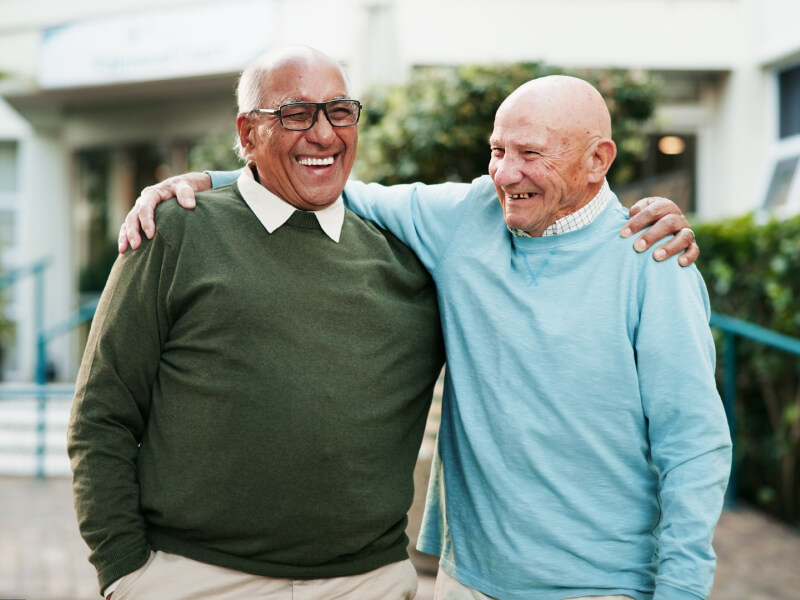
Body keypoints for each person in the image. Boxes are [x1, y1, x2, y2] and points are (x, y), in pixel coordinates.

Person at [124, 72, 730, 600]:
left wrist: (679, 590)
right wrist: (208, 179)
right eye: (497, 150)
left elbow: (694, 446)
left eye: (530, 153)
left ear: (598, 160)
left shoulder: (652, 262)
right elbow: (322, 184)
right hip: (468, 581)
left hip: (604, 584)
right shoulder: (468, 217)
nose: (505, 172)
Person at [68, 45, 445, 600]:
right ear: (247, 134)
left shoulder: (412, 258)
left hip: (367, 582)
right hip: (198, 579)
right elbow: (102, 414)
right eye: (296, 114)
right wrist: (125, 570)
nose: (324, 134)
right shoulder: (175, 231)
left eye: (340, 111)